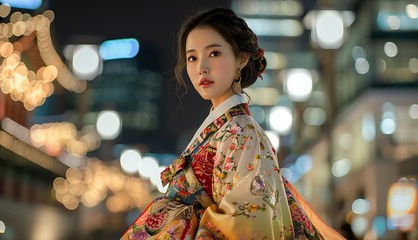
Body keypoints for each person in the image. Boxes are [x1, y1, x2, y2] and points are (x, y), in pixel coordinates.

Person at [121, 8, 345, 240]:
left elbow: (245, 224)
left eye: (214, 53)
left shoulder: (241, 132)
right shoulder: (224, 128)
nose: (201, 68)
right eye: (192, 58)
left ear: (242, 58)